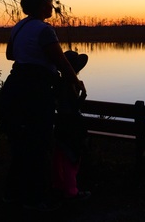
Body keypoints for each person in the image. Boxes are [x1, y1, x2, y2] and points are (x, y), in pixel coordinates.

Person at [0, 0, 86, 212]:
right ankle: (34, 201)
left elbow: (10, 55)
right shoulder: (44, 30)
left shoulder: (19, 27)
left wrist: (30, 53)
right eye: (49, 1)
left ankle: (12, 195)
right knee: (39, 145)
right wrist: (76, 82)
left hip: (14, 86)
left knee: (20, 145)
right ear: (39, 5)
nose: (52, 5)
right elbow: (62, 62)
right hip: (34, 92)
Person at [52, 50, 91, 201]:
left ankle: (58, 184)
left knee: (60, 155)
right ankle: (71, 190)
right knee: (72, 157)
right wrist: (83, 94)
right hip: (71, 127)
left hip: (59, 125)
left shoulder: (57, 83)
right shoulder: (71, 86)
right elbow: (75, 108)